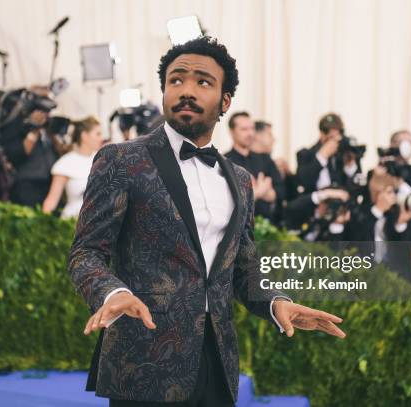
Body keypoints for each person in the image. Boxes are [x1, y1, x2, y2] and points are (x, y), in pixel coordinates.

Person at [68, 36, 346, 407]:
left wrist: (276, 302)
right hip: (144, 359)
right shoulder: (122, 160)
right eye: (176, 80)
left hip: (217, 363)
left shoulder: (241, 180)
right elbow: (85, 252)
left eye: (203, 82)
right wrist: (113, 292)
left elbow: (242, 264)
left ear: (225, 101)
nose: (186, 90)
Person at [225, 112, 284, 223]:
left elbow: (282, 189)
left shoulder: (265, 158)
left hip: (270, 225)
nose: (250, 133)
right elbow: (225, 200)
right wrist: (255, 194)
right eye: (244, 129)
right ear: (232, 132)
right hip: (239, 227)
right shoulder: (224, 162)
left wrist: (271, 195)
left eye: (252, 128)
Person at [42, 116, 103, 219]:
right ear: (84, 136)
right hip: (72, 223)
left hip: (99, 222)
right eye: (98, 134)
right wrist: (42, 223)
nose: (101, 138)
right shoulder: (65, 163)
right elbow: (52, 200)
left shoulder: (103, 160)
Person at [295, 113, 360, 194]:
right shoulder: (305, 154)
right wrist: (322, 156)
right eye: (331, 137)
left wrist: (350, 165)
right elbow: (304, 183)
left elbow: (357, 185)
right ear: (322, 134)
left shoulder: (344, 153)